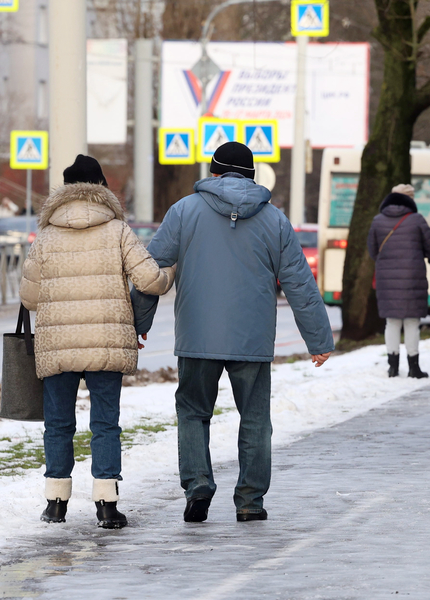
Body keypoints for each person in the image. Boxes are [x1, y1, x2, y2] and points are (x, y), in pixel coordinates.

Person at [131, 142, 334, 524]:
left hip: (196, 336)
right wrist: (318, 341)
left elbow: (151, 270)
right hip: (252, 339)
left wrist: (139, 323)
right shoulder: (274, 220)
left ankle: (198, 487)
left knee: (193, 411)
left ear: (214, 172)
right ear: (253, 175)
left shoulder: (183, 212)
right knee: (255, 418)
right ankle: (250, 502)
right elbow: (300, 284)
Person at [20, 155, 175, 529]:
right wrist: (170, 273)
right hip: (107, 341)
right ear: (101, 188)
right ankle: (107, 505)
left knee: (58, 424)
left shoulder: (47, 236)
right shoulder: (118, 231)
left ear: (65, 191)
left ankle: (55, 502)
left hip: (58, 344)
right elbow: (150, 281)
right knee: (105, 423)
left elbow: (29, 298)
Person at [368, 185, 430, 378]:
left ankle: (392, 367)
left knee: (391, 322)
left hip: (386, 279)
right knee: (411, 322)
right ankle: (414, 367)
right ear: (410, 200)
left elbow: (373, 251)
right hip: (412, 278)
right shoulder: (416, 220)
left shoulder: (377, 220)